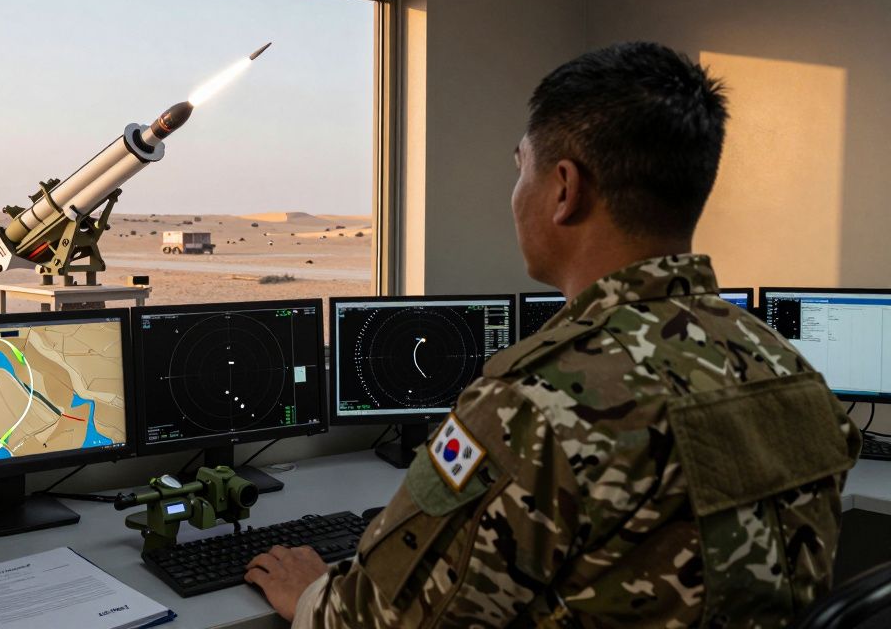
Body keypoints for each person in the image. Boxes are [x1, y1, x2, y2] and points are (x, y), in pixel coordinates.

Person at [244, 42, 861, 628]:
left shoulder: (533, 404)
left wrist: (312, 595)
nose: (516, 196)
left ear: (565, 189)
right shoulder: (790, 371)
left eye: (522, 170)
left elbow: (373, 621)